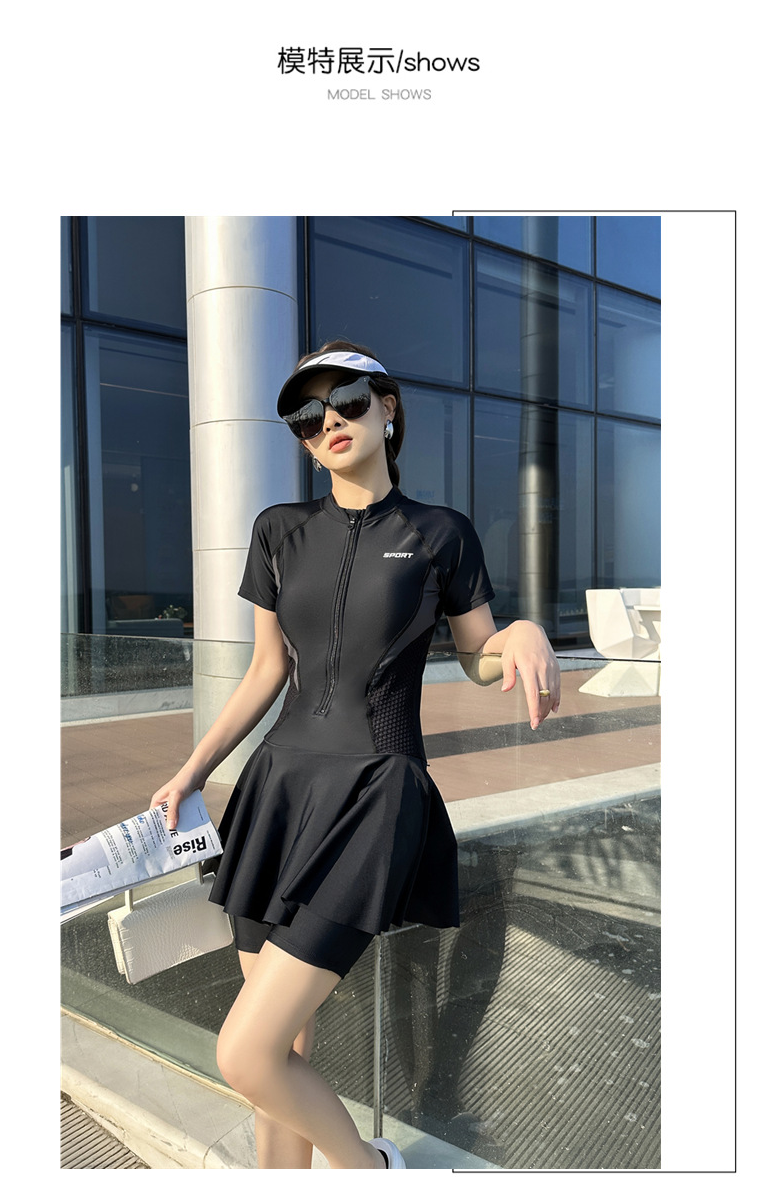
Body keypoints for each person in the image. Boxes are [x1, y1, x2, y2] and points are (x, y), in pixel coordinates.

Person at [150, 341, 561, 1170]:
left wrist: (519, 631)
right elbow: (266, 671)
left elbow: (479, 656)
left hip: (377, 793)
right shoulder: (279, 530)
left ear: (387, 406)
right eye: (306, 416)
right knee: (280, 1051)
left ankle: (369, 1170)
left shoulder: (440, 533)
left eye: (345, 400)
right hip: (276, 795)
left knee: (246, 1052)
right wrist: (193, 771)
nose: (328, 421)